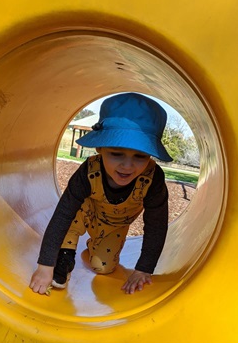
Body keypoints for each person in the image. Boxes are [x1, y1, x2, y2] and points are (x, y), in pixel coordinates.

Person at [29, 92, 173, 296]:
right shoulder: (89, 170)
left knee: (102, 267)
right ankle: (66, 252)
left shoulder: (152, 178)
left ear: (150, 155)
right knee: (73, 215)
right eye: (116, 153)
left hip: (115, 223)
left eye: (140, 156)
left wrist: (143, 269)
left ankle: (94, 242)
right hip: (86, 210)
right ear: (100, 148)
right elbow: (63, 213)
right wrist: (45, 265)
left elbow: (156, 225)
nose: (127, 165)